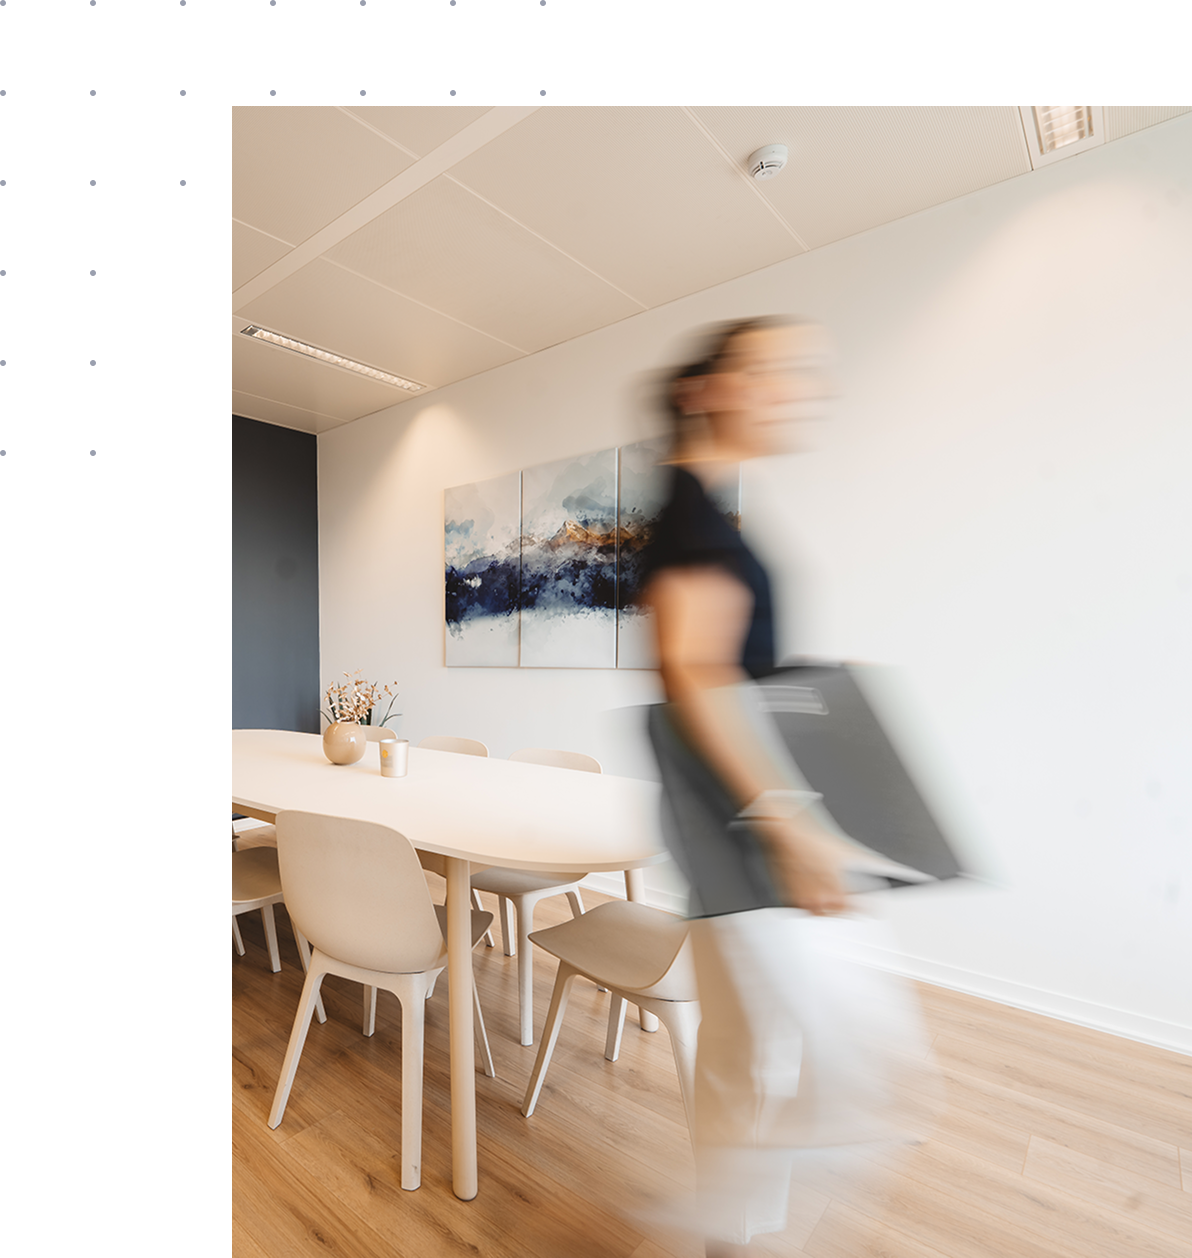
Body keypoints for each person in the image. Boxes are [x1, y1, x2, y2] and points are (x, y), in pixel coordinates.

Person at [640, 316, 934, 1257]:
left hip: (727, 816)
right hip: (745, 820)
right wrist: (793, 825)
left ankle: (725, 1223)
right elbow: (695, 671)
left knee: (746, 1041)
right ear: (706, 390)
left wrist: (800, 677)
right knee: (844, 1067)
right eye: (772, 372)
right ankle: (722, 1224)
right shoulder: (693, 517)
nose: (797, 389)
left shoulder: (708, 511)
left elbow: (721, 667)